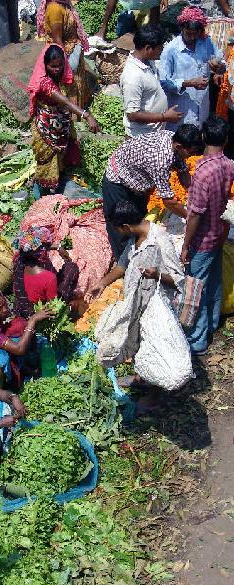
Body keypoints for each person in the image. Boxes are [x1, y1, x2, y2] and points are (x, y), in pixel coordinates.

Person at [88, 199, 184, 408]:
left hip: (156, 305)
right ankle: (141, 378)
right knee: (138, 342)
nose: (119, 233)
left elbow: (178, 279)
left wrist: (157, 274)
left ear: (126, 227)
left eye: (117, 230)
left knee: (153, 346)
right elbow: (123, 264)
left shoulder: (159, 240)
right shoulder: (135, 238)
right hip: (137, 302)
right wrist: (102, 283)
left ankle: (153, 396)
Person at [102, 124, 203, 259]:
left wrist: (194, 196)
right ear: (179, 147)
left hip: (137, 181)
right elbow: (169, 202)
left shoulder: (173, 138)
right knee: (122, 226)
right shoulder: (161, 159)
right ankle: (124, 264)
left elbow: (183, 170)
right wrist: (191, 218)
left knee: (139, 221)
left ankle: (138, 253)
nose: (192, 156)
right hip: (118, 179)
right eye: (191, 152)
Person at [181, 116, 234, 355]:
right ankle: (212, 324)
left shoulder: (202, 171)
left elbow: (194, 215)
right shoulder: (229, 164)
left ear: (202, 138)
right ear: (225, 139)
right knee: (214, 282)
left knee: (196, 289)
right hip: (218, 233)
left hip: (202, 239)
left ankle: (197, 340)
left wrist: (185, 245)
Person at [28, 44, 99, 195]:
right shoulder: (44, 82)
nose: (57, 69)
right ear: (45, 65)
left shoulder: (60, 76)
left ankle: (58, 185)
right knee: (47, 159)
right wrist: (87, 115)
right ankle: (43, 194)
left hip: (60, 121)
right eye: (52, 66)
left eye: (60, 65)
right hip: (46, 126)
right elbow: (65, 102)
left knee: (62, 156)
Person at [159, 6, 224, 132]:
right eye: (189, 34)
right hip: (181, 114)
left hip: (202, 111)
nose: (193, 37)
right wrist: (190, 83)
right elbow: (164, 82)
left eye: (196, 34)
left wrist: (219, 67)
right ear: (182, 28)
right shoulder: (171, 50)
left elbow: (221, 63)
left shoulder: (206, 43)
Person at [121, 24, 183, 137]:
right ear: (148, 48)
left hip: (154, 133)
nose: (162, 51)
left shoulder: (148, 62)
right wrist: (165, 116)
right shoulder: (133, 76)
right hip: (141, 137)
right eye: (160, 48)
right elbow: (132, 115)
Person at [12, 225, 79, 318]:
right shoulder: (48, 278)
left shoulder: (18, 262)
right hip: (41, 313)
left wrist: (57, 247)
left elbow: (35, 248)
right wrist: (68, 309)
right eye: (45, 248)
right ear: (42, 252)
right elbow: (54, 307)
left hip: (24, 307)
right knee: (71, 268)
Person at [36, 0, 90, 108]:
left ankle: (78, 114)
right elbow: (58, 40)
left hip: (72, 49)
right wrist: (65, 65)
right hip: (64, 54)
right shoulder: (55, 9)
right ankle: (71, 116)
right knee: (68, 88)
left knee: (76, 86)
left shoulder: (64, 4)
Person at [90, 0, 166, 48]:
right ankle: (102, 31)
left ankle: (151, 38)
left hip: (149, 6)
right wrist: (103, 28)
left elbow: (155, 9)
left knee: (151, 33)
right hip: (127, 7)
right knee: (123, 29)